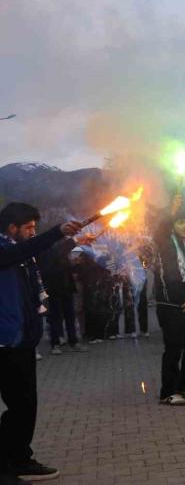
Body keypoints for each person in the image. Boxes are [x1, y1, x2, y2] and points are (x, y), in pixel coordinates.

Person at [0, 202, 84, 483]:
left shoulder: (22, 254)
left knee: (25, 406)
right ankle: (9, 464)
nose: (32, 233)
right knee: (19, 407)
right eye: (29, 228)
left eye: (35, 228)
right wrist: (57, 231)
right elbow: (26, 250)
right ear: (12, 228)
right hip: (6, 342)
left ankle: (17, 458)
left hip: (23, 340)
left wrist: (72, 240)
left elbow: (46, 258)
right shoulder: (5, 251)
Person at [153, 198, 185, 406]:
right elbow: (161, 227)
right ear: (172, 225)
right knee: (173, 349)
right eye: (181, 222)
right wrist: (171, 208)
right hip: (171, 306)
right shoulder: (165, 245)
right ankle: (168, 392)